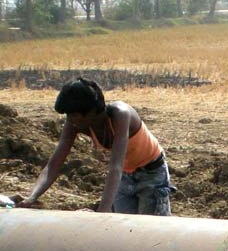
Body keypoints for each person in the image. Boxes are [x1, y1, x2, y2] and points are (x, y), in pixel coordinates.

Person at [16, 77, 174, 214]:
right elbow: (54, 164)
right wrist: (32, 197)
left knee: (150, 229)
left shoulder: (120, 115)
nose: (70, 120)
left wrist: (101, 213)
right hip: (125, 176)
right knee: (125, 229)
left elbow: (115, 166)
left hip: (152, 173)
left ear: (91, 112)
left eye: (74, 115)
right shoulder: (74, 124)